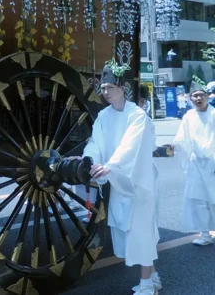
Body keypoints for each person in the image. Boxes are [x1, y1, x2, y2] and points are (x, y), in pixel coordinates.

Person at [81, 60, 160, 294]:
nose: (105, 92)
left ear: (122, 88)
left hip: (139, 183)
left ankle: (146, 285)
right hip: (119, 180)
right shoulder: (104, 116)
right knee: (130, 231)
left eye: (110, 88)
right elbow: (96, 142)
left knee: (141, 232)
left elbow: (130, 147)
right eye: (103, 88)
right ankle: (153, 277)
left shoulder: (137, 116)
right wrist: (90, 161)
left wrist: (111, 166)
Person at [171, 80, 215, 246]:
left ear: (206, 97)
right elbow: (182, 137)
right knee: (199, 201)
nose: (198, 98)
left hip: (213, 163)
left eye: (201, 95)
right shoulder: (188, 116)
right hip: (196, 164)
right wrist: (174, 144)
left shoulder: (214, 114)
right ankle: (205, 235)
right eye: (195, 96)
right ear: (190, 98)